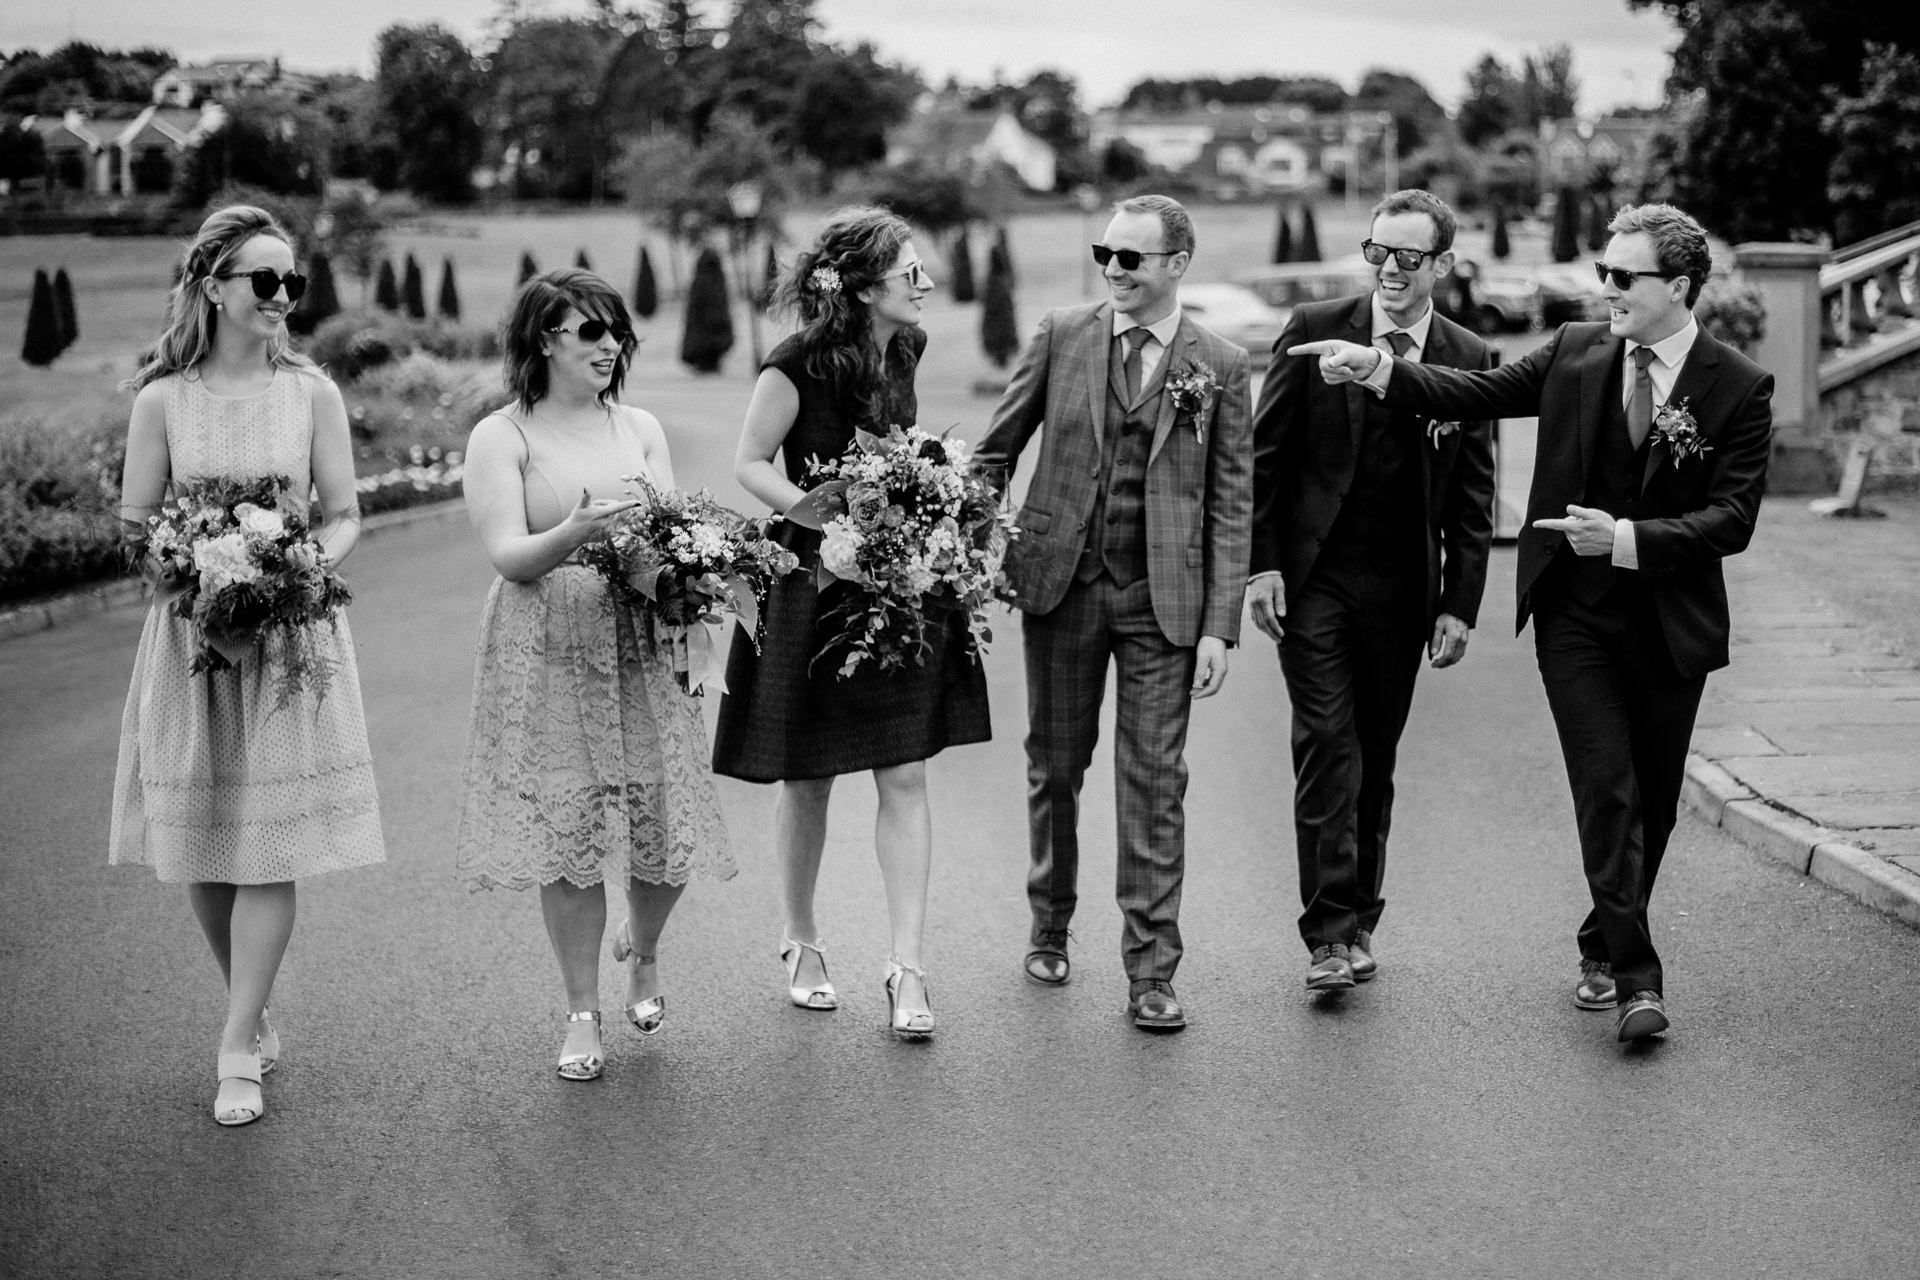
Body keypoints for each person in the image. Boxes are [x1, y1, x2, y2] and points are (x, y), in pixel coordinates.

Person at [1291, 203, 1773, 1043]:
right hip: (1574, 617)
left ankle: (1600, 939)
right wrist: (1376, 369)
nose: (1608, 291)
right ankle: (1636, 979)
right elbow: (1474, 391)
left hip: (1671, 623)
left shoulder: (1736, 384)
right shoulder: (1576, 351)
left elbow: (1733, 518)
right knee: (1607, 790)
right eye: (1604, 274)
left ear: (1681, 287)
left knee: (1653, 804)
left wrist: (1626, 538)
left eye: (1625, 278)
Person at [111, 204, 387, 1126]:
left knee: (268, 843)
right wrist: (191, 574)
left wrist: (301, 566)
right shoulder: (164, 399)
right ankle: (251, 1005)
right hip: (189, 641)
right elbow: (136, 520)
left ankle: (236, 1048)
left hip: (290, 639)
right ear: (212, 286)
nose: (281, 296)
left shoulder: (310, 393)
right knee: (203, 840)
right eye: (263, 280)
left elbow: (344, 511)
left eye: (291, 282)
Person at [974, 195, 1253, 1032]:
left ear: (1177, 264)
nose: (1114, 269)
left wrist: (1219, 623)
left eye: (1132, 257)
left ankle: (1153, 971)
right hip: (1061, 584)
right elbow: (997, 449)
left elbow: (1233, 503)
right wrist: (964, 541)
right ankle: (1050, 923)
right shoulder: (1063, 334)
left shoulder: (1223, 363)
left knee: (1155, 781)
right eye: (1106, 253)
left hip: (1164, 603)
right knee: (1055, 767)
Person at [713, 207, 987, 1041]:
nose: (926, 284)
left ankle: (907, 967)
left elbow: (897, 443)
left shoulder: (906, 346)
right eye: (911, 272)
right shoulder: (793, 364)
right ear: (865, 287)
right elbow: (748, 462)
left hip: (897, 575)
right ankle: (799, 941)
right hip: (810, 578)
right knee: (810, 776)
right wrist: (817, 513)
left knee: (904, 771)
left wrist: (925, 499)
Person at [456, 269, 734, 1081]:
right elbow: (509, 557)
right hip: (547, 640)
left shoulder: (640, 427)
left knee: (662, 825)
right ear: (545, 340)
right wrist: (572, 532)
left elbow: (677, 539)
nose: (609, 346)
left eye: (617, 332)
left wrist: (694, 601)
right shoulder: (501, 438)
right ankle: (582, 1009)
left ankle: (642, 948)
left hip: (641, 633)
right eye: (590, 332)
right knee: (571, 835)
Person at [1248, 189, 1497, 992]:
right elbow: (1267, 459)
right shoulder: (1314, 325)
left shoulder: (1469, 354)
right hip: (1315, 577)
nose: (1389, 269)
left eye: (1408, 257)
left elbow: (1474, 494)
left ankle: (1358, 921)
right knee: (1327, 743)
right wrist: (1263, 564)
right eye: (1378, 252)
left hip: (1404, 586)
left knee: (1376, 755)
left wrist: (1461, 602)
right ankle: (1326, 936)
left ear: (1443, 266)